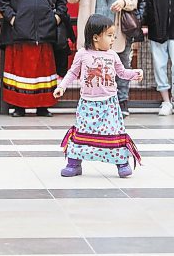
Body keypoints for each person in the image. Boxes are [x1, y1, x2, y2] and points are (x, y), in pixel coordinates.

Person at [54, 14, 143, 178]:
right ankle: (74, 163)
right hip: (87, 104)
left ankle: (122, 163)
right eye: (109, 36)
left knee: (113, 132)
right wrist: (62, 86)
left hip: (109, 103)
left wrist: (135, 74)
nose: (112, 40)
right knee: (81, 131)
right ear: (95, 37)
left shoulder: (113, 55)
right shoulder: (82, 54)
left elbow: (122, 72)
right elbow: (73, 72)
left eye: (113, 36)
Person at [0, 0, 67, 117]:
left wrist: (57, 18)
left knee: (44, 71)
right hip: (19, 33)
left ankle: (43, 106)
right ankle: (19, 107)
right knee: (19, 71)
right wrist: (13, 19)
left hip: (45, 32)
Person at [67, 0, 138, 117]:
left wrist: (123, 2)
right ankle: (90, 101)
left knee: (121, 64)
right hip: (94, 33)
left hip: (116, 31)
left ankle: (122, 102)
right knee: (92, 68)